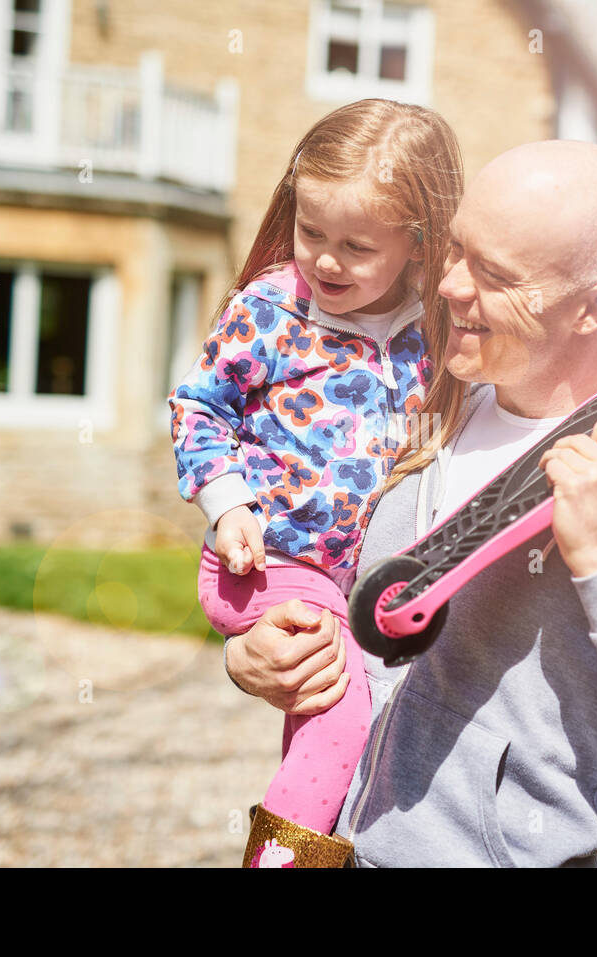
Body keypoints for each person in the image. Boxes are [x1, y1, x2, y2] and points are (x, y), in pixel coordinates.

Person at [223, 140, 597, 867]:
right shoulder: (423, 401)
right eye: (456, 249)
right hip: (319, 852)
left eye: (494, 274)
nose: (451, 287)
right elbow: (311, 569)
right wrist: (249, 651)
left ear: (593, 309)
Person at [169, 99, 465, 867]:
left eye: (357, 246)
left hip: (349, 580)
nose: (326, 261)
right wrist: (226, 503)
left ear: (418, 245)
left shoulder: (424, 335)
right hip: (265, 562)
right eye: (312, 234)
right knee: (344, 723)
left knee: (321, 736)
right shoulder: (271, 307)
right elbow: (199, 405)